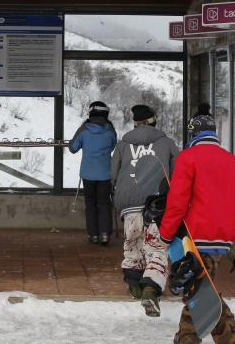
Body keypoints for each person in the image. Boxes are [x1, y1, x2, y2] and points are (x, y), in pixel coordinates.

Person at [158, 103, 235, 344]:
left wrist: (164, 236)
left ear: (193, 133)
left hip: (194, 238)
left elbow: (177, 203)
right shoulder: (234, 162)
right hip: (222, 239)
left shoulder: (188, 158)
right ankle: (185, 338)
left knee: (204, 298)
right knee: (198, 293)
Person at [111, 104, 179, 317]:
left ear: (135, 123)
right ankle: (150, 288)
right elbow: (177, 174)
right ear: (153, 121)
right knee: (156, 248)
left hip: (129, 205)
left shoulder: (123, 145)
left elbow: (112, 174)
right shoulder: (167, 143)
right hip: (156, 206)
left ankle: (134, 287)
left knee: (132, 244)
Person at [69, 101, 117, 245]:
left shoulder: (84, 129)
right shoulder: (110, 130)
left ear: (91, 113)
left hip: (88, 174)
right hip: (105, 174)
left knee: (90, 204)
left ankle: (93, 235)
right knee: (104, 203)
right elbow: (113, 146)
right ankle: (104, 235)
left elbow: (72, 148)